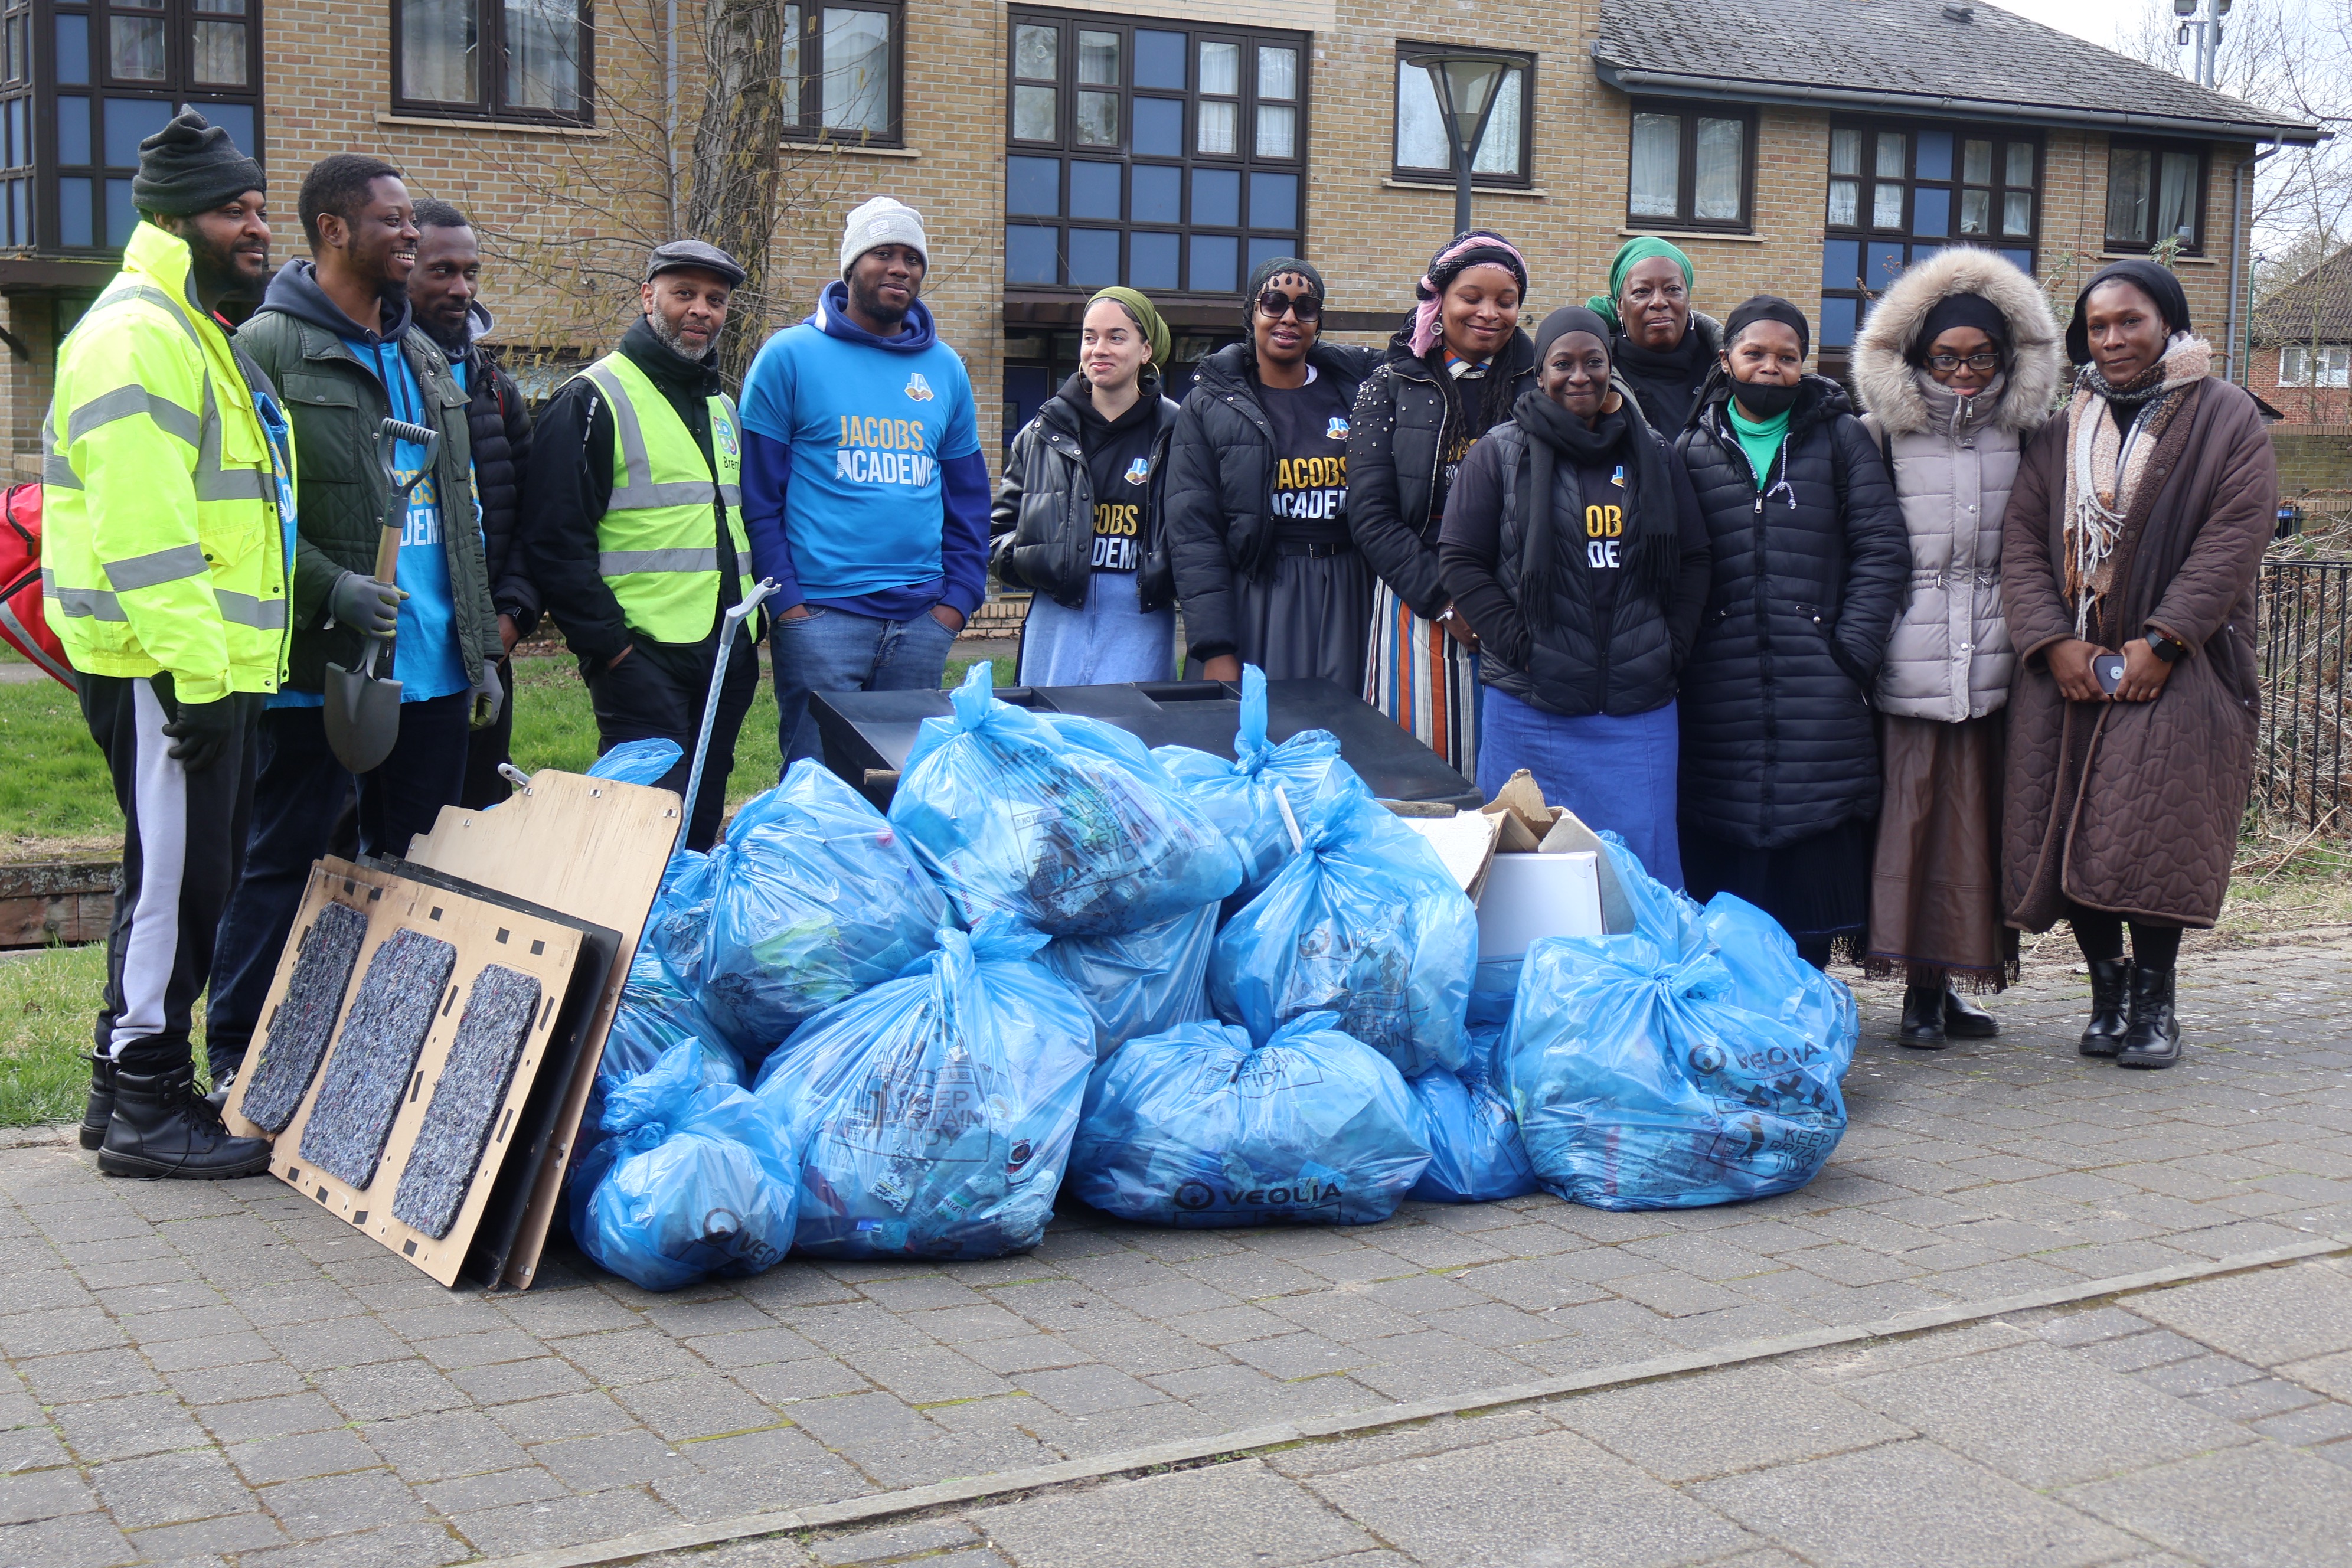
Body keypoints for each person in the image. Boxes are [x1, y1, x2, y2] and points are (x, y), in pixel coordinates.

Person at [207, 155, 492, 1090]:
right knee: (283, 859)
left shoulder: (422, 355)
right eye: (394, 221)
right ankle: (242, 1055)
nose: (413, 235)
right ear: (334, 230)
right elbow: (243, 517)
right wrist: (329, 587)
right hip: (321, 667)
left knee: (419, 875)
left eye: (415, 220)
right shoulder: (269, 348)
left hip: (435, 665)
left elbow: (459, 507)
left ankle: (381, 1071)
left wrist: (480, 642)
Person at [43, 109, 285, 1177]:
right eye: (235, 209)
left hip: (190, 664)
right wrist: (194, 676)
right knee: (177, 883)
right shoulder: (141, 332)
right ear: (174, 217)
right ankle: (148, 1104)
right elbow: (148, 540)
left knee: (181, 875)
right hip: (164, 666)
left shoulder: (188, 325)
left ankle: (115, 1088)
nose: (258, 226)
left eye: (260, 205)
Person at [2001, 260, 2275, 1070]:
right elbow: (2020, 542)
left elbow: (2234, 538)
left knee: (2151, 831)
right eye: (2099, 325)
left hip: (2181, 665)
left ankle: (2157, 1005)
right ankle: (2107, 997)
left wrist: (2164, 641)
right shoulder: (2062, 427)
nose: (2114, 339)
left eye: (2132, 322)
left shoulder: (2227, 417)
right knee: (2071, 830)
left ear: (2169, 324)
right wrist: (2053, 644)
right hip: (2074, 665)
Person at [1853, 249, 2060, 1047]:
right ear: (1919, 357)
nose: (1965, 370)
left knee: (1980, 834)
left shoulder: (2033, 436)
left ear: (2007, 357)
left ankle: (1960, 986)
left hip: (2001, 663)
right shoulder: (1880, 437)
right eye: (1947, 356)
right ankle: (1916, 992)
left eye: (1981, 355)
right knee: (1914, 826)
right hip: (1910, 661)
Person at [1437, 306, 1711, 883]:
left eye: (1594, 362)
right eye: (1563, 363)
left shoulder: (1653, 453)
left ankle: (1637, 974)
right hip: (1531, 708)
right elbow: (1460, 560)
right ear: (1541, 374)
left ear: (1612, 370)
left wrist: (1672, 645)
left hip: (1638, 711)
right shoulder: (1499, 452)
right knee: (1528, 874)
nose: (1580, 375)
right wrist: (1517, 644)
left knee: (1638, 874)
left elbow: (1693, 558)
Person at [1675, 296, 1910, 966]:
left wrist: (1852, 653)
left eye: (1786, 357)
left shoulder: (1841, 440)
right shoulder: (1691, 446)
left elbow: (1881, 548)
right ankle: (1738, 1009)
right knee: (1726, 855)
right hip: (1717, 690)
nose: (1770, 368)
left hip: (1822, 689)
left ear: (1803, 365)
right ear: (1726, 361)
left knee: (1814, 854)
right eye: (1755, 354)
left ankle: (1808, 1009)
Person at [740, 197, 990, 765]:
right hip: (821, 619)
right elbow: (758, 497)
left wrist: (957, 601)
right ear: (850, 264)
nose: (900, 268)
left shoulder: (945, 368)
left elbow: (970, 499)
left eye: (912, 258)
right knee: (818, 788)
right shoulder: (789, 357)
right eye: (883, 253)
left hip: (922, 619)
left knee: (903, 792)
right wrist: (790, 606)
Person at [524, 240, 755, 851]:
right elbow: (554, 539)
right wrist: (612, 651)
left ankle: (685, 942)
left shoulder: (723, 406)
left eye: (715, 299)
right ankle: (633, 947)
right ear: (647, 296)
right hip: (643, 657)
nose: (701, 310)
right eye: (684, 294)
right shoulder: (592, 397)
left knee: (701, 826)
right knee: (640, 836)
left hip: (724, 654)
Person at [1352, 230, 1536, 780]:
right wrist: (1447, 602)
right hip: (1419, 603)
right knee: (1425, 782)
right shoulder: (1390, 384)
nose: (1489, 313)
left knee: (1515, 787)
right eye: (1471, 297)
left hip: (1518, 605)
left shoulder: (1541, 385)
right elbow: (1371, 514)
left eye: (1506, 302)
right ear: (1440, 300)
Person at [1167, 257, 1380, 685]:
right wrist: (1215, 646)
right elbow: (1193, 530)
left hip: (1348, 591)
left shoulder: (1361, 392)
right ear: (1251, 312)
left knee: (1347, 734)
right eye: (1274, 302)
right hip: (1258, 593)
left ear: (1318, 321)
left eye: (1305, 308)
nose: (1288, 317)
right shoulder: (1209, 403)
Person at [409, 198, 537, 810]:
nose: (461, 289)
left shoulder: (493, 385)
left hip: (486, 651)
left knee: (475, 819)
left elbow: (533, 517)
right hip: (404, 650)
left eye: (471, 273)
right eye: (442, 271)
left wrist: (508, 620)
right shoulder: (378, 377)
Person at [991, 288, 1180, 685]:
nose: (1099, 349)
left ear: (1146, 350)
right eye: (1090, 336)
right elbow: (997, 534)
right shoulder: (1042, 432)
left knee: (1127, 736)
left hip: (1140, 621)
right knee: (1050, 738)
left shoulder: (1178, 431)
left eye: (1116, 337)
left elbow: (1200, 529)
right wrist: (1038, 559)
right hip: (1057, 620)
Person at [1589, 237, 1721, 436]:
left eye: (1673, 290)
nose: (1659, 302)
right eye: (1642, 292)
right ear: (1620, 307)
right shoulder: (1596, 379)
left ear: (1689, 300)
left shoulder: (1727, 371)